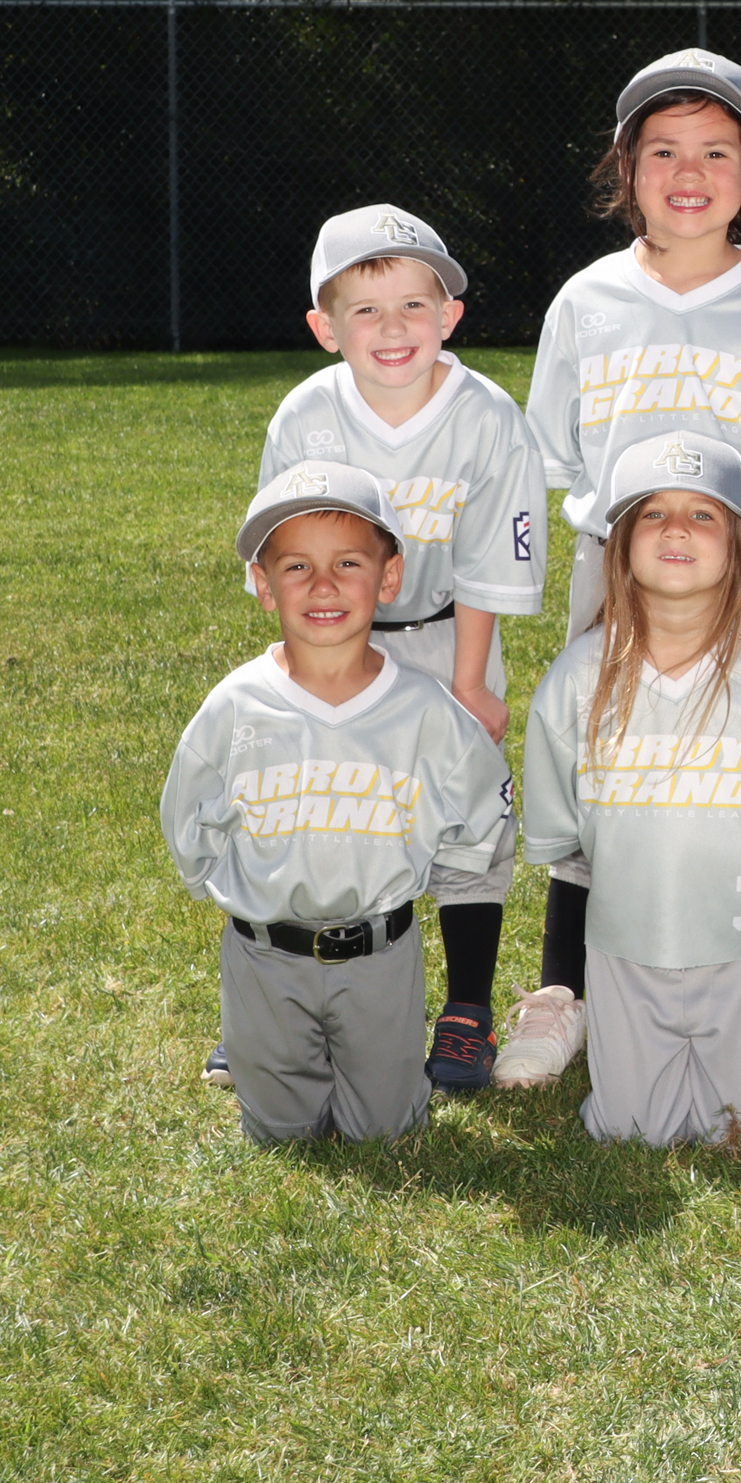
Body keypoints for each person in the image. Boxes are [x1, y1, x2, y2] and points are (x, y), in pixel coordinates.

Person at [506, 49, 741, 1092]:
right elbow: (554, 460)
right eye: (662, 151)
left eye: (715, 151)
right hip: (614, 565)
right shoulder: (586, 301)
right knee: (605, 758)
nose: (687, 172)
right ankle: (565, 986)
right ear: (626, 165)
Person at [232, 204, 546, 1097]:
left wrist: (471, 683)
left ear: (450, 314)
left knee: (469, 815)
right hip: (337, 642)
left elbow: (488, 562)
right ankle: (287, 1005)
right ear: (324, 327)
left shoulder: (486, 416)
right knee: (329, 809)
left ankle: (468, 1007)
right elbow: (290, 558)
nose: (393, 327)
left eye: (414, 304)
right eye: (364, 310)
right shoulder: (306, 414)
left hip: (449, 633)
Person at [160, 464, 512, 1144]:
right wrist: (225, 883)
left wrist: (448, 866)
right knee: (280, 1132)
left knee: (386, 1132)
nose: (323, 585)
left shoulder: (423, 708)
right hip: (264, 954)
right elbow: (188, 812)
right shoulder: (236, 704)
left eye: (348, 562)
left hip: (381, 953)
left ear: (389, 577)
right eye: (296, 566)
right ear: (263, 584)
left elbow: (484, 808)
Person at [519, 433, 741, 1147]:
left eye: (702, 514)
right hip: (625, 947)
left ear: (740, 547)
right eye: (652, 513)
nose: (676, 529)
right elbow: (564, 837)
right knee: (631, 1129)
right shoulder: (578, 676)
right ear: (618, 546)